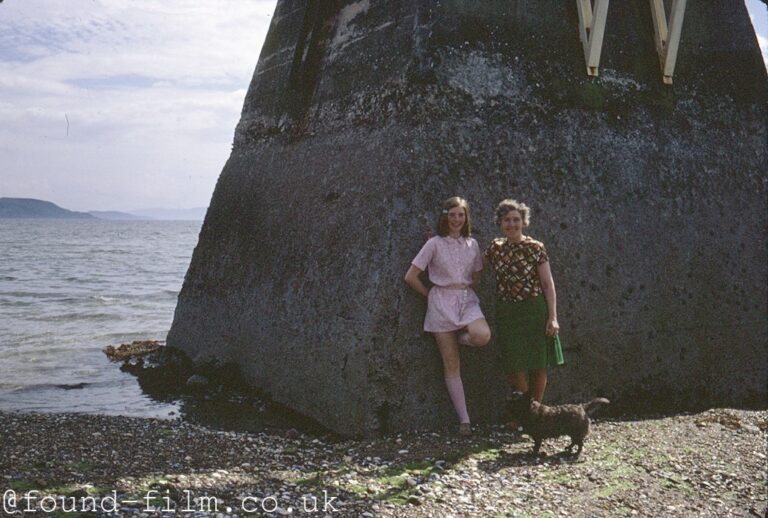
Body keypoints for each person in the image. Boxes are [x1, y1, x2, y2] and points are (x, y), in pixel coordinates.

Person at [404, 196, 492, 436]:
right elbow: (411, 276)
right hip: (440, 304)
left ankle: (462, 336)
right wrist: (430, 295)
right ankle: (464, 420)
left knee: (482, 335)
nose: (456, 219)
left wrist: (466, 289)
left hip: (466, 300)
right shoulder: (434, 244)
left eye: (461, 214)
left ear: (466, 218)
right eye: (452, 214)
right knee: (451, 364)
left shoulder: (472, 244)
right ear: (445, 217)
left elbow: (477, 275)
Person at [483, 199, 565, 406]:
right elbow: (473, 267)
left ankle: (535, 415)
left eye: (516, 219)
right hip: (507, 312)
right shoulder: (495, 247)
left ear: (524, 222)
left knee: (539, 364)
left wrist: (553, 317)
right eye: (506, 220)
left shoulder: (535, 247)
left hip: (534, 310)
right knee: (514, 364)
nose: (512, 224)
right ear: (500, 223)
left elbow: (547, 283)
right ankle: (527, 410)